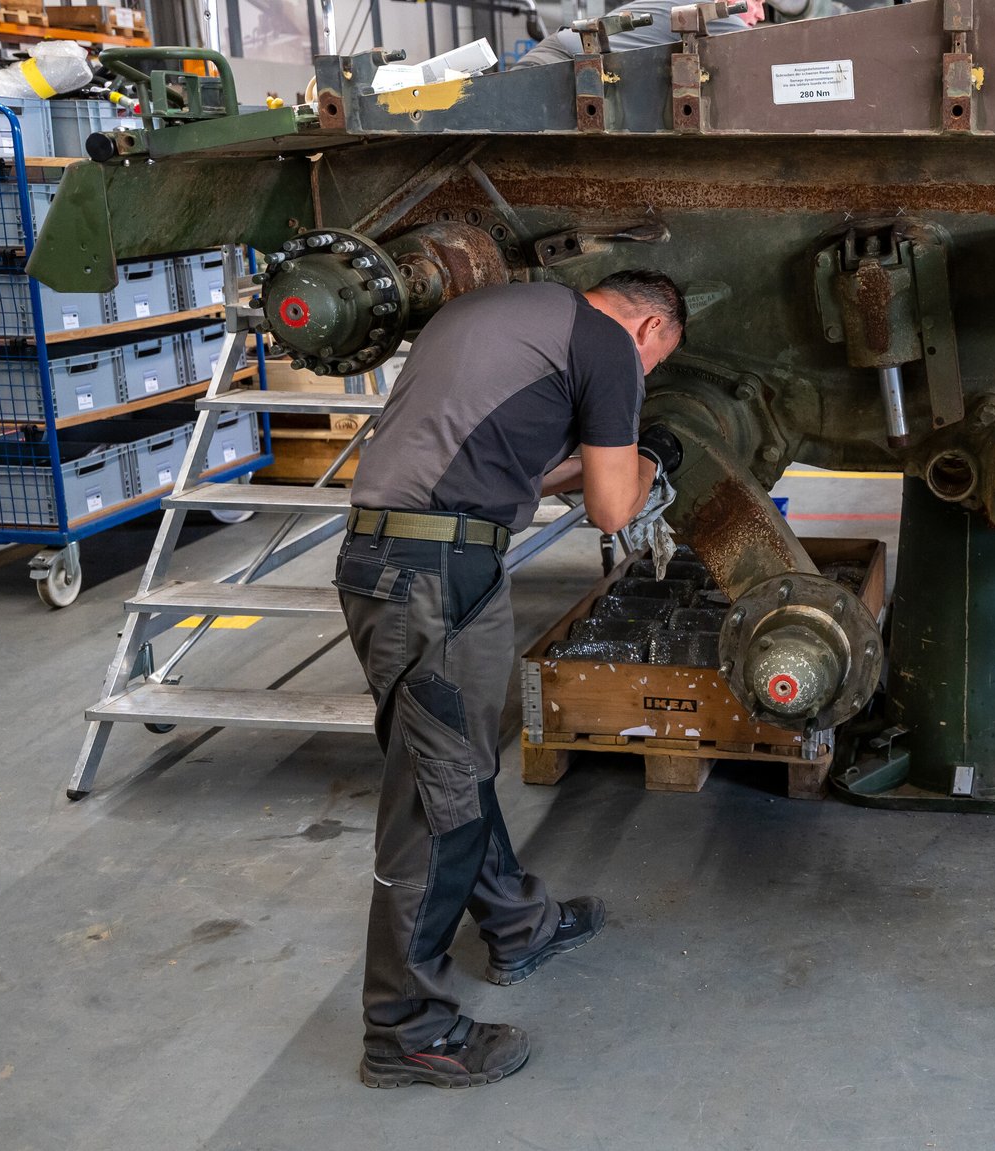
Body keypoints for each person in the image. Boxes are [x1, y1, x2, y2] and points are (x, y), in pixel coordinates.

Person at [336, 270, 689, 1088]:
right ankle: (404, 1027)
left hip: (389, 557)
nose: (644, 378)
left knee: (452, 762)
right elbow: (611, 507)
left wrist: (617, 458)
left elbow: (527, 473)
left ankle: (518, 922)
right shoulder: (607, 345)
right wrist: (654, 455)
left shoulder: (507, 312)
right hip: (435, 570)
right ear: (648, 330)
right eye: (657, 363)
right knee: (436, 796)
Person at [510, 0, 759, 70]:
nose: (759, 13)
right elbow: (763, 52)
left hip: (564, 55)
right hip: (557, 61)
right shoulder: (716, 14)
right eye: (758, 2)